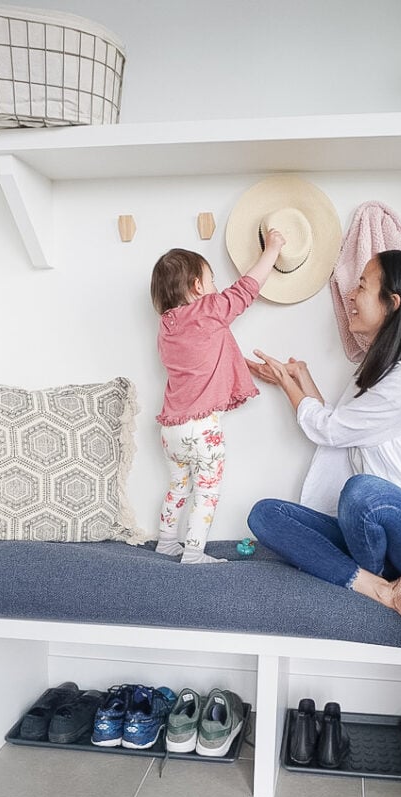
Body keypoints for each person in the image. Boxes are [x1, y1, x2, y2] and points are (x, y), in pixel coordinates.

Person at [246, 249, 401, 636]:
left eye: (362, 286)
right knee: (265, 515)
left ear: (392, 303)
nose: (351, 294)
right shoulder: (380, 370)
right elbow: (342, 428)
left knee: (362, 492)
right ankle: (383, 588)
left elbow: (330, 431)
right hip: (381, 540)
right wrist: (300, 380)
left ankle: (376, 580)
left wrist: (287, 383)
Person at [151, 231, 285, 563]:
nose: (216, 287)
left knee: (178, 486)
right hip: (202, 429)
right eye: (212, 280)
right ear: (198, 286)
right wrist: (272, 250)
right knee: (207, 490)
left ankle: (166, 541)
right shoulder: (208, 310)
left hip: (170, 429)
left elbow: (205, 354)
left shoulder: (166, 326)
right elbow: (247, 288)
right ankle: (194, 552)